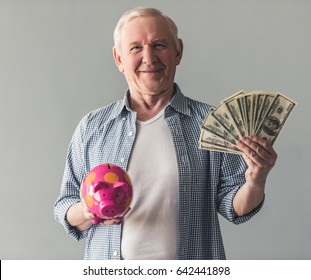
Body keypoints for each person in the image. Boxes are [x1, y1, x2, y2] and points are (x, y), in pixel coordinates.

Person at [54, 7, 277, 260]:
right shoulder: (93, 127)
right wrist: (87, 211)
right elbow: (65, 204)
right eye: (135, 48)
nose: (149, 58)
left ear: (178, 51)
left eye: (159, 45)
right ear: (119, 59)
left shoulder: (213, 124)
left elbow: (235, 206)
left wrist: (256, 180)